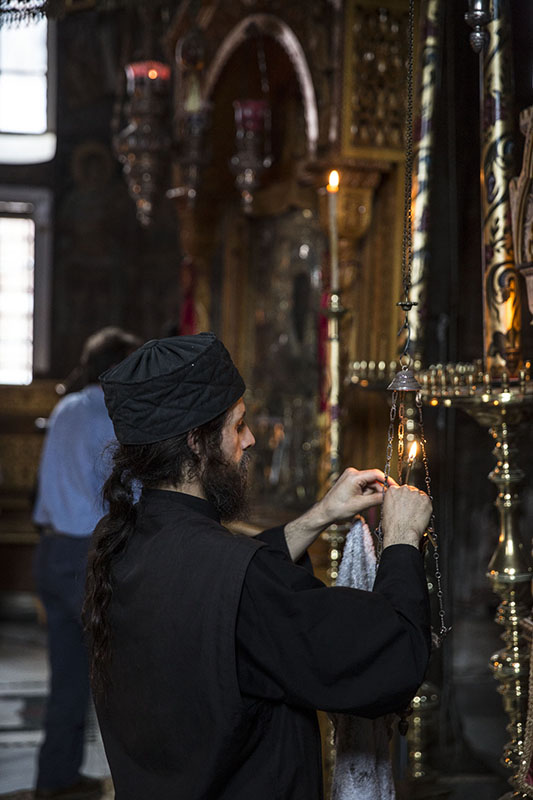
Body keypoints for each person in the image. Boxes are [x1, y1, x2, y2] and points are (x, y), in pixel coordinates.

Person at [84, 332, 433, 800]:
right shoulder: (238, 578)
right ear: (197, 443)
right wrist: (403, 540)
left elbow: (223, 588)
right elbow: (387, 658)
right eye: (238, 425)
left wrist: (319, 515)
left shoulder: (117, 542)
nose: (249, 441)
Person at [32, 326, 141, 800]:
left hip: (52, 553)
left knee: (67, 679)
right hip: (90, 555)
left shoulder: (64, 408)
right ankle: (139, 785)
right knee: (123, 680)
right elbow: (129, 491)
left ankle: (55, 780)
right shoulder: (114, 416)